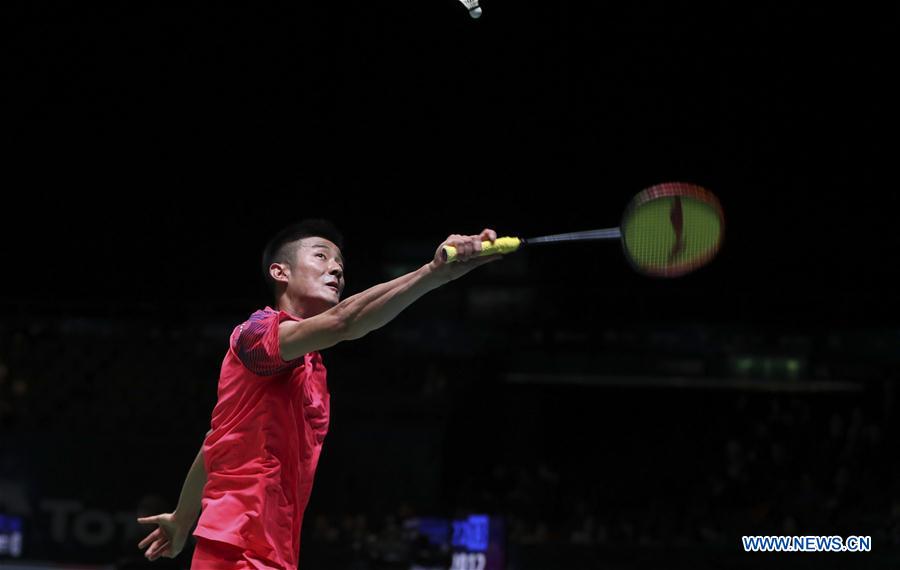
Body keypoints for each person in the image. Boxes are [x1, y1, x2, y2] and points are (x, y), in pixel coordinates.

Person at [136, 219, 501, 568]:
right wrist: (433, 272)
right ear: (280, 272)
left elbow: (216, 439)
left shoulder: (313, 367)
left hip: (276, 550)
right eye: (321, 256)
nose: (337, 270)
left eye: (340, 262)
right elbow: (345, 321)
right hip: (238, 547)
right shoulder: (256, 333)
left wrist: (183, 517)